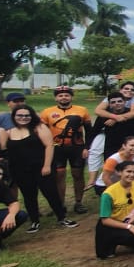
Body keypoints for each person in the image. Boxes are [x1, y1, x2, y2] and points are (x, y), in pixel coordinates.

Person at [0, 104, 78, 233]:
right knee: (28, 195)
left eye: (27, 115)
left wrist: (46, 165)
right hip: (20, 170)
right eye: (20, 115)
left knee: (50, 192)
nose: (23, 118)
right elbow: (3, 151)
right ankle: (34, 221)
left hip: (41, 167)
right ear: (14, 117)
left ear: (32, 116)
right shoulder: (9, 132)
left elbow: (49, 146)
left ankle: (62, 217)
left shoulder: (39, 128)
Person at [40, 86, 92, 214]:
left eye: (67, 95)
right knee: (59, 176)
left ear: (71, 97)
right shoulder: (47, 112)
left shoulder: (82, 110)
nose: (64, 97)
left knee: (78, 175)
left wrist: (87, 147)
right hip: (57, 149)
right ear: (56, 98)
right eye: (60, 95)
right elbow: (42, 132)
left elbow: (89, 131)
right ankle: (60, 205)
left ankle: (78, 202)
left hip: (77, 148)